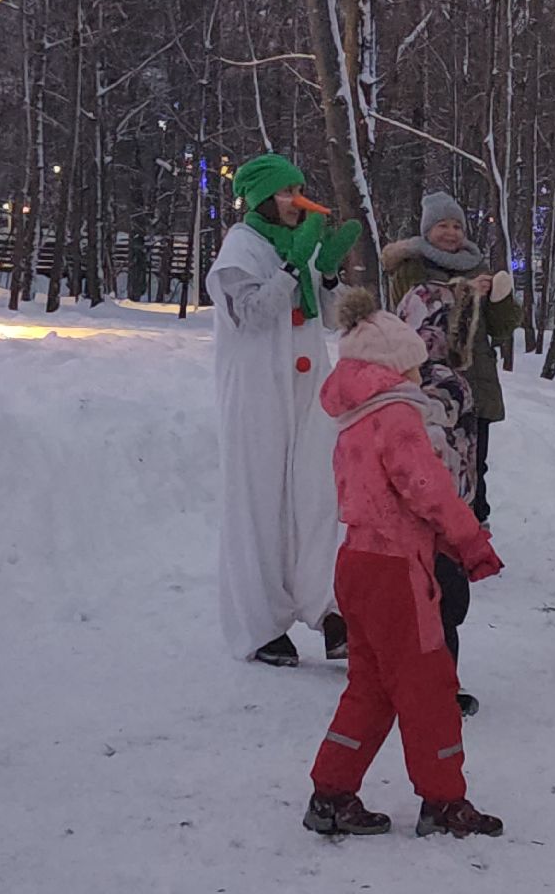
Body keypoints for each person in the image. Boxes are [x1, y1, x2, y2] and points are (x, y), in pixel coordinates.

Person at [305, 288, 505, 839]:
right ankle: (443, 802)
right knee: (428, 686)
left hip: (358, 563)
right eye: (415, 366)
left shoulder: (353, 420)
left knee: (370, 686)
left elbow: (383, 500)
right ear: (397, 367)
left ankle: (332, 791)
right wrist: (470, 542)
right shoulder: (395, 416)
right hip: (396, 573)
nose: (420, 376)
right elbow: (427, 489)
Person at [204, 154, 361, 667]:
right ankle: (260, 623)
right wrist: (293, 266)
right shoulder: (240, 248)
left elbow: (334, 320)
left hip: (308, 388)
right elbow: (250, 314)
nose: (300, 202)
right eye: (289, 192)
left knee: (316, 498)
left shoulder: (303, 246)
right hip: (257, 390)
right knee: (259, 502)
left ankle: (327, 607)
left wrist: (329, 273)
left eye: (301, 189)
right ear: (264, 198)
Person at [383, 191, 518, 716]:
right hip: (426, 391)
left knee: (471, 475)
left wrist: (499, 295)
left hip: (473, 390)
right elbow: (415, 313)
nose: (450, 233)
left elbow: (504, 329)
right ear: (426, 230)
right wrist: (463, 292)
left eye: (456, 226)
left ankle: (466, 537)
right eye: (441, 226)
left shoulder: (479, 265)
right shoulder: (409, 265)